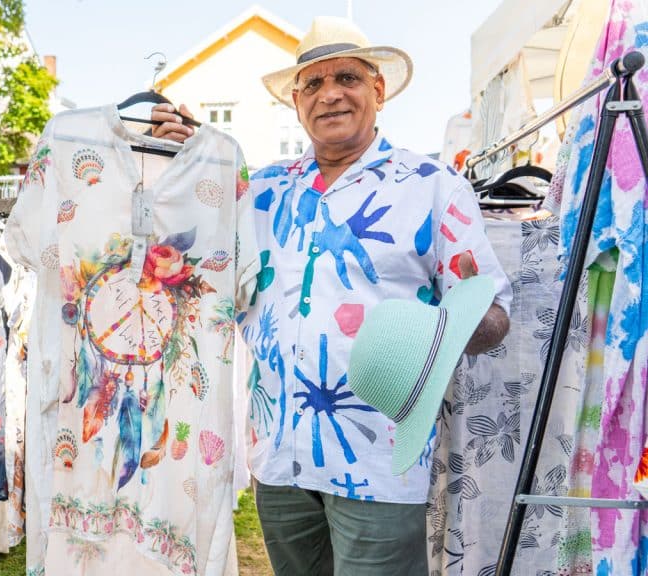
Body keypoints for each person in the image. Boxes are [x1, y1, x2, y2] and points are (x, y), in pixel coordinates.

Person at [153, 16, 511, 576]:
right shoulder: (264, 191)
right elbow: (194, 253)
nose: (330, 95)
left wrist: (446, 327)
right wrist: (179, 153)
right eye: (312, 85)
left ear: (379, 89)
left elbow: (495, 315)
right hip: (278, 460)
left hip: (378, 460)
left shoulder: (431, 184)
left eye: (347, 77)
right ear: (296, 103)